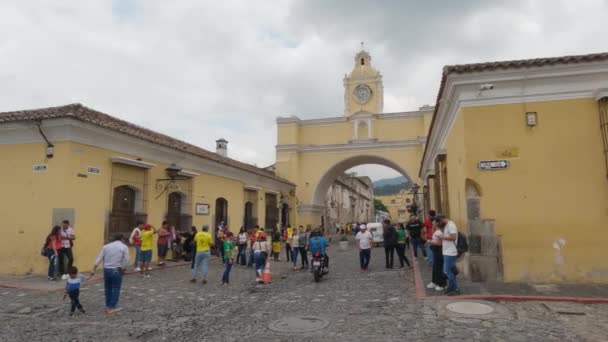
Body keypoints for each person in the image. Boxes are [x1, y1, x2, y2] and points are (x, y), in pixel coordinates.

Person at [91, 233, 130, 314]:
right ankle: (112, 307)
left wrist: (94, 269)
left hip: (106, 270)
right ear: (122, 239)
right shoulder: (124, 247)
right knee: (116, 288)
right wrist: (123, 268)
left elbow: (99, 258)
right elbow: (126, 259)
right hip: (116, 269)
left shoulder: (106, 246)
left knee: (107, 288)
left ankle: (108, 304)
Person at [437, 214, 460, 295]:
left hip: (450, 252)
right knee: (450, 271)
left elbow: (453, 237)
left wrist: (442, 237)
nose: (439, 223)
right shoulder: (447, 225)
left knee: (447, 271)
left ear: (442, 219)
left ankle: (455, 288)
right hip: (447, 251)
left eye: (439, 221)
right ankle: (452, 287)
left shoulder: (451, 225)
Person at [427, 223, 447, 291]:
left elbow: (440, 243)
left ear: (437, 224)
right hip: (436, 251)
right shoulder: (437, 231)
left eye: (434, 223)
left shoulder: (439, 232)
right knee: (435, 267)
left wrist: (430, 241)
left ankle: (441, 284)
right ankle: (435, 281)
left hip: (439, 251)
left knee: (439, 267)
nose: (432, 224)